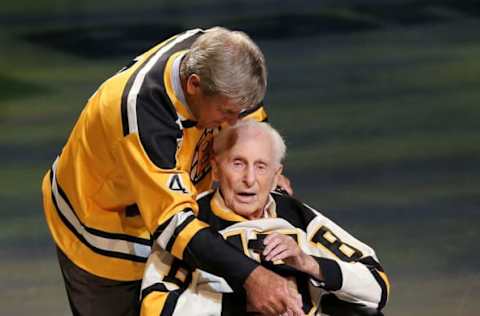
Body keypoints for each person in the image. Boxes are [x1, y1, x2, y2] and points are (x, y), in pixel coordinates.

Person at [41, 27, 303, 316]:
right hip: (103, 226)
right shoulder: (143, 114)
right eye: (227, 113)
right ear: (193, 85)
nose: (235, 123)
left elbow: (245, 113)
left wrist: (266, 164)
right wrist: (253, 277)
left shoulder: (213, 56)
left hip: (171, 201)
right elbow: (173, 225)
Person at [140, 120, 390, 315]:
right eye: (238, 164)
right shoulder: (191, 220)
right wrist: (249, 304)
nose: (249, 179)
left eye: (261, 167)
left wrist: (307, 263)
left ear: (275, 175)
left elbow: (377, 286)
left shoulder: (294, 214)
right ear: (216, 168)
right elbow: (155, 306)